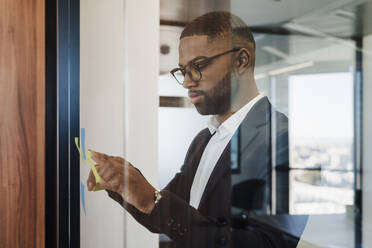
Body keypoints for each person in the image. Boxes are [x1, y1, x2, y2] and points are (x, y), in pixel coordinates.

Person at [87, 11, 293, 248]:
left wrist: (154, 202)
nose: (186, 82)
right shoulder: (203, 140)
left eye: (199, 65)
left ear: (241, 61)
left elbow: (269, 245)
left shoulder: (283, 139)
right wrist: (124, 183)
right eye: (183, 70)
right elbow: (168, 218)